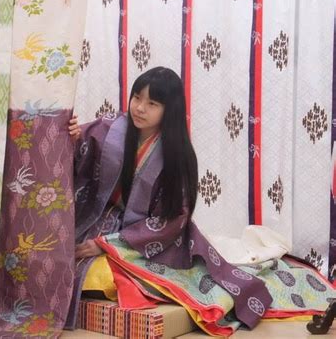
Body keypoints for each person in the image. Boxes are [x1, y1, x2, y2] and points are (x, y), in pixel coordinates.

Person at [64, 67, 335, 336]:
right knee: (66, 263)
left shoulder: (177, 155)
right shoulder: (109, 129)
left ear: (169, 110)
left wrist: (107, 245)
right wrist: (73, 138)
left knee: (108, 276)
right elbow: (77, 162)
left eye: (152, 103)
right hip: (100, 220)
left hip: (151, 238)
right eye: (137, 98)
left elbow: (172, 220)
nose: (140, 108)